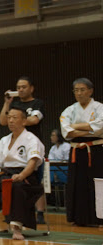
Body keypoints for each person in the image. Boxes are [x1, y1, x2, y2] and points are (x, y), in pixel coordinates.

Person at [0, 108, 45, 240]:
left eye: (15, 117)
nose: (11, 120)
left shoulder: (31, 139)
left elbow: (32, 162)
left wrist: (22, 175)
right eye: (9, 118)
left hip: (26, 177)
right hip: (5, 175)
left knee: (15, 186)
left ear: (24, 121)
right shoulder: (4, 140)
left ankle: (17, 228)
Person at [0, 76, 46, 222]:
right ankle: (10, 212)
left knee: (35, 179)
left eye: (24, 87)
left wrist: (21, 120)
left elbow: (34, 119)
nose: (20, 89)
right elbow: (2, 120)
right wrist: (7, 103)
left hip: (33, 145)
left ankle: (40, 213)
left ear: (31, 88)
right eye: (18, 87)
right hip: (16, 146)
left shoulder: (38, 103)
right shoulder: (15, 104)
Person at [60, 78, 103, 226]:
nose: (79, 93)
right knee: (77, 183)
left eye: (82, 89)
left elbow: (100, 127)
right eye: (76, 90)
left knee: (97, 183)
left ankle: (100, 217)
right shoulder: (70, 109)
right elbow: (66, 131)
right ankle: (78, 218)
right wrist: (88, 128)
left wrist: (76, 127)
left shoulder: (99, 108)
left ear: (90, 91)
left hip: (95, 150)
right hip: (76, 151)